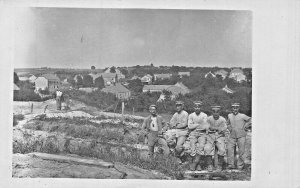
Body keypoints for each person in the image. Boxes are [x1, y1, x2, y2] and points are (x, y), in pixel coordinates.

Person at [227, 103, 252, 170]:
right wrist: (230, 128)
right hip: (232, 135)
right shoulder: (229, 115)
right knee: (230, 149)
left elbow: (250, 119)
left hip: (241, 135)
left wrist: (246, 126)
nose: (235, 109)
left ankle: (240, 166)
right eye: (234, 108)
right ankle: (231, 165)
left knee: (241, 151)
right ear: (232, 108)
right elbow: (228, 123)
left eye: (236, 108)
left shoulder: (242, 115)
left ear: (238, 108)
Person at [187, 101, 209, 171]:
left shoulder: (204, 115)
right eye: (195, 107)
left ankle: (195, 163)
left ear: (201, 107)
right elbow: (190, 126)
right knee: (192, 146)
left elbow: (205, 126)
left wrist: (195, 125)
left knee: (201, 146)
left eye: (198, 107)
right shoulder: (191, 115)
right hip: (193, 133)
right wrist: (198, 125)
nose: (197, 108)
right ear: (194, 107)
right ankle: (198, 164)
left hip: (202, 134)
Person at [206, 105, 227, 172]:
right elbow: (207, 127)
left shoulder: (222, 119)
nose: (215, 113)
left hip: (219, 137)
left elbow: (223, 129)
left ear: (219, 112)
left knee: (222, 150)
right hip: (210, 136)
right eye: (214, 112)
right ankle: (209, 165)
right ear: (212, 112)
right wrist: (217, 129)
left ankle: (219, 165)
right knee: (207, 148)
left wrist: (214, 128)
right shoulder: (209, 119)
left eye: (217, 112)